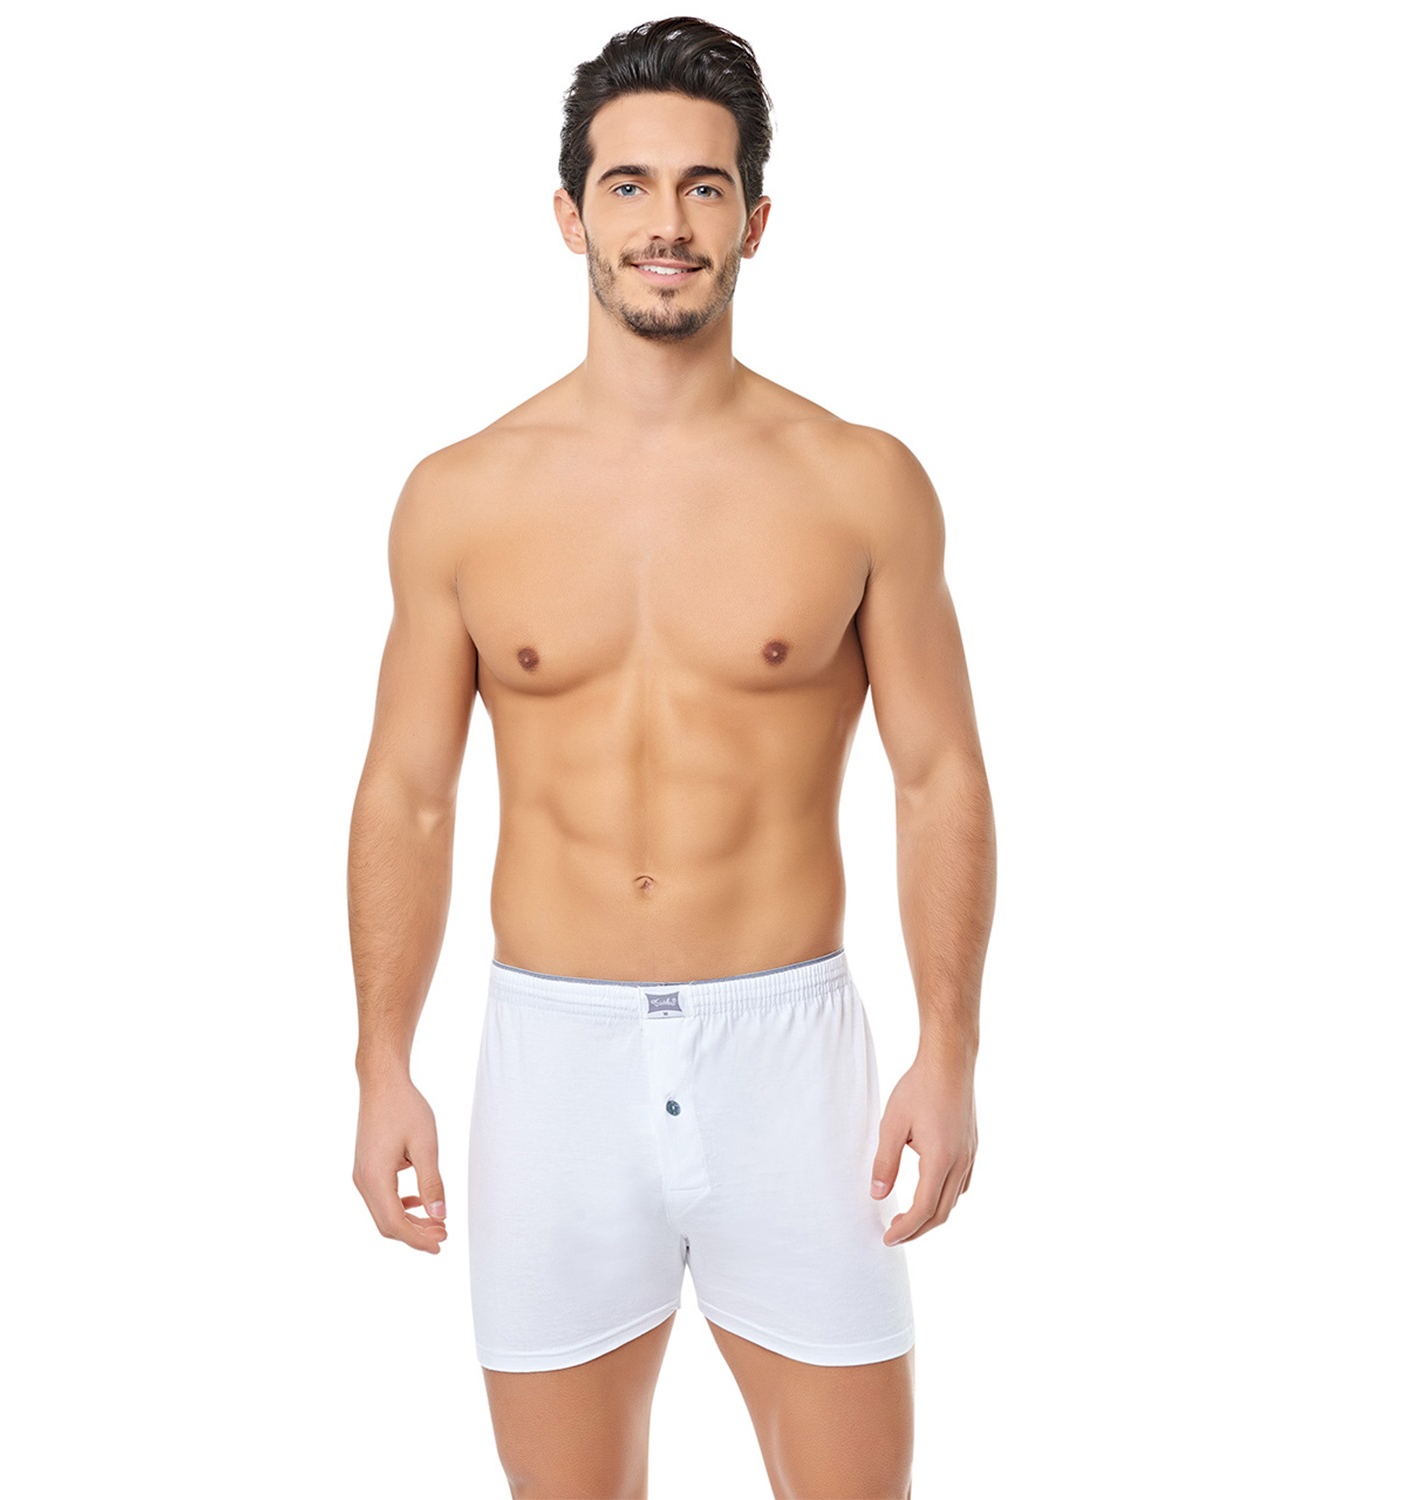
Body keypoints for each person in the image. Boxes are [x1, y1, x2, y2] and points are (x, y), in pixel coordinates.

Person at [348, 16, 995, 1497]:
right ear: (569, 214)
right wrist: (383, 1062)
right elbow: (410, 794)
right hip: (553, 1064)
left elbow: (939, 776)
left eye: (705, 188)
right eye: (629, 185)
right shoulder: (459, 497)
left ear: (755, 221)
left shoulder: (860, 483)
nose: (667, 223)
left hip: (792, 1061)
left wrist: (950, 1048)